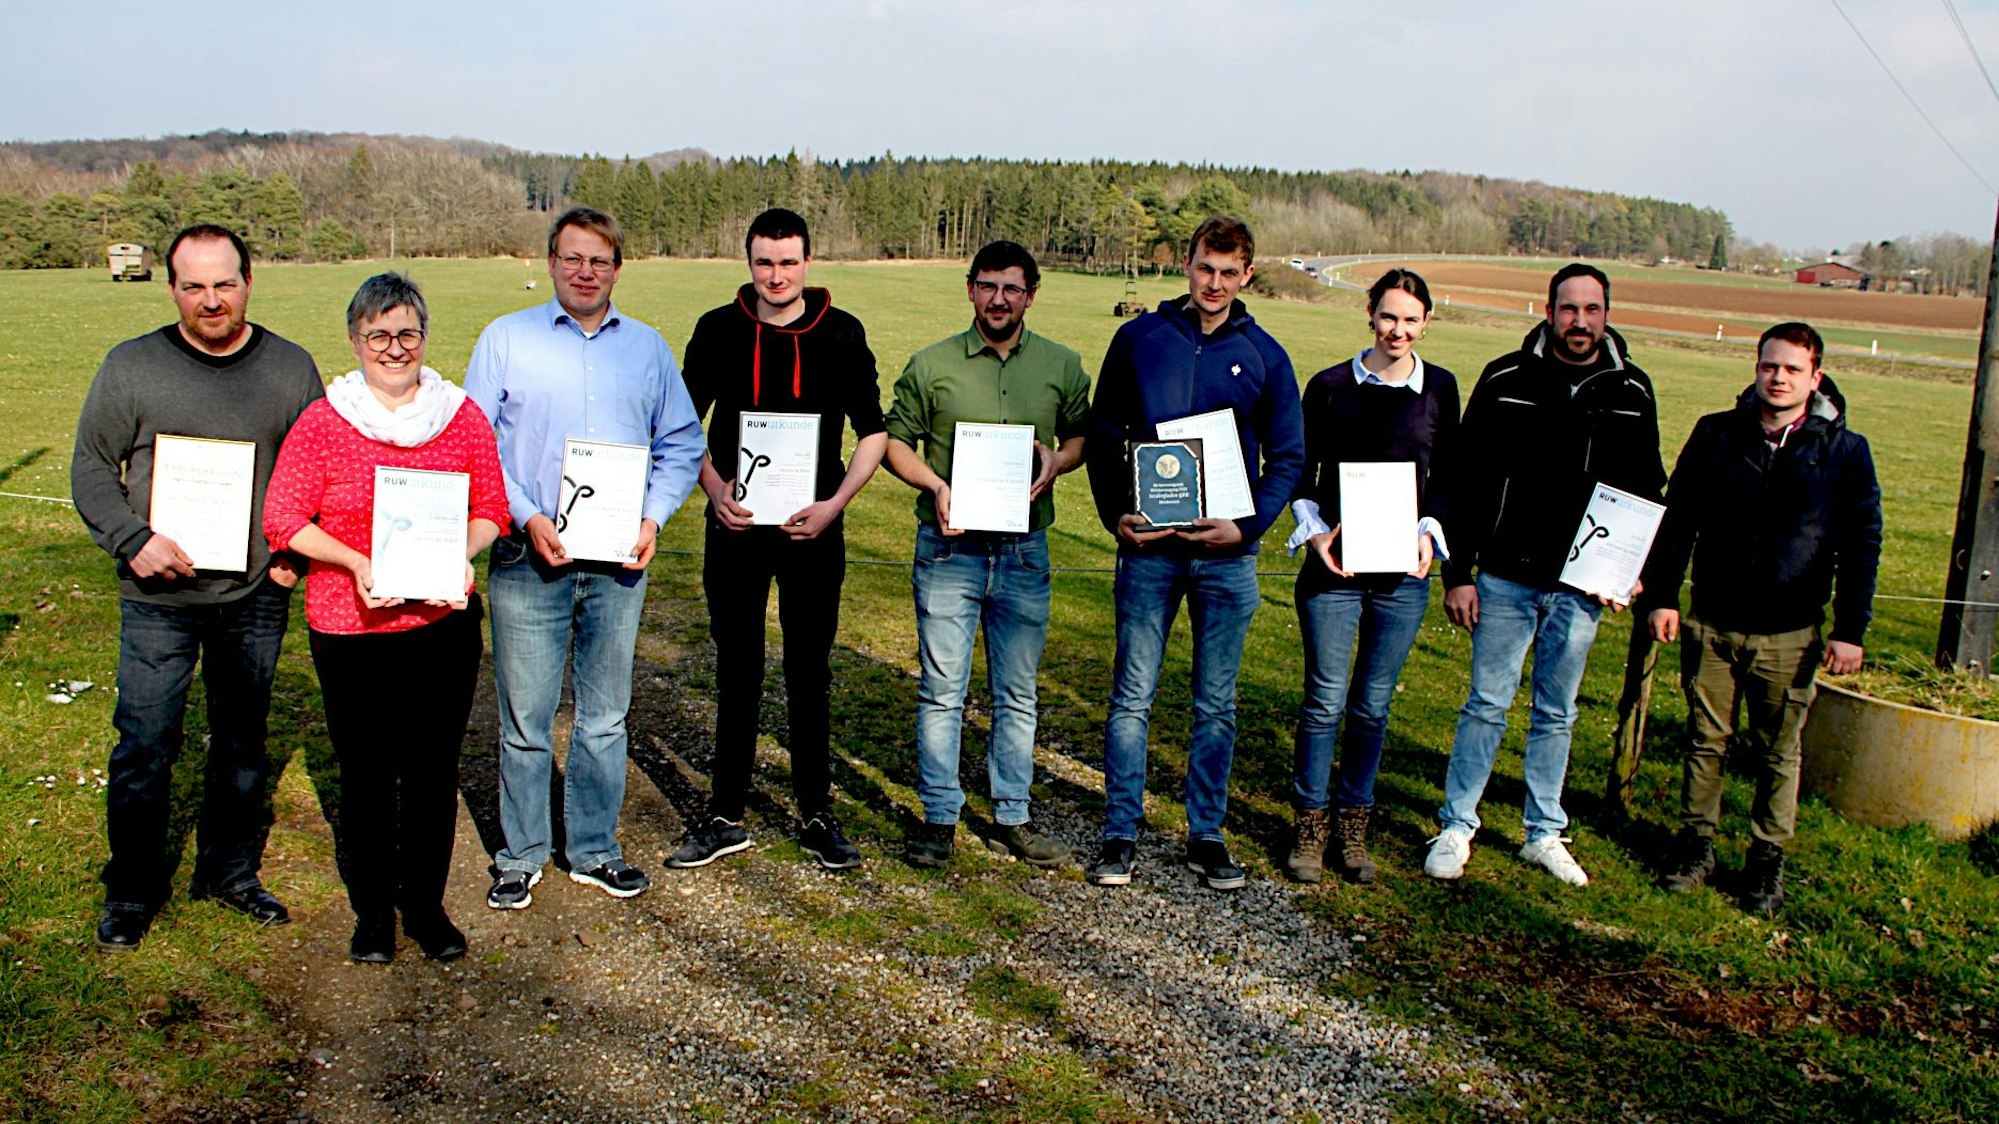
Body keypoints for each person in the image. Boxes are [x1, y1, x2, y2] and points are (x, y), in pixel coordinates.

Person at [71, 224, 323, 952]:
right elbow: (92, 468)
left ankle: (229, 872)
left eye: (224, 283)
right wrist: (133, 539)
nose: (211, 299)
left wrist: (293, 557)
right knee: (145, 743)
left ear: (248, 281)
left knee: (242, 744)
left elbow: (311, 475)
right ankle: (131, 888)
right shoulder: (132, 367)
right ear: (172, 288)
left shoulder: (290, 369)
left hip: (254, 593)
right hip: (159, 599)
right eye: (194, 285)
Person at [465, 206, 704, 909]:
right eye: (571, 258)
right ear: (550, 262)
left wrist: (651, 516)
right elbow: (477, 445)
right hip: (527, 556)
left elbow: (683, 444)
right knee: (526, 718)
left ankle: (595, 849)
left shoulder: (649, 350)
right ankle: (521, 854)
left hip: (616, 566)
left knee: (604, 717)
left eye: (598, 260)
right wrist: (527, 515)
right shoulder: (506, 340)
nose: (584, 271)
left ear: (617, 268)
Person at [263, 273, 508, 962]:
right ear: (355, 340)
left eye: (406, 333)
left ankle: (424, 906)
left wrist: (457, 556)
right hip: (349, 626)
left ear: (424, 338)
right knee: (367, 773)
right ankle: (374, 912)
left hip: (439, 626)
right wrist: (353, 562)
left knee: (432, 771)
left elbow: (491, 507)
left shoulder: (459, 416)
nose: (393, 348)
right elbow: (281, 518)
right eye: (378, 334)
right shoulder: (324, 421)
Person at [1423, 262, 1665, 886]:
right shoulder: (1505, 377)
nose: (1578, 322)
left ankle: (1543, 831)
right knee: (1487, 703)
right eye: (1568, 308)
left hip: (1581, 586)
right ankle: (1457, 823)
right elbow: (1463, 477)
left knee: (1557, 712)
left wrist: (1629, 568)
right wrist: (1458, 573)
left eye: (1591, 309)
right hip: (1504, 576)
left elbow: (1644, 488)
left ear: (1606, 314)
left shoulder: (1631, 391)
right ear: (1549, 310)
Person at [1083, 215, 1306, 891]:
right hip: (1150, 550)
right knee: (1132, 696)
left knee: (1214, 703)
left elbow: (1288, 455)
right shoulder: (1140, 338)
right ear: (1186, 264)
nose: (1214, 283)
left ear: (1246, 275)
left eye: (1228, 272)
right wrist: (1113, 512)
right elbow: (1102, 431)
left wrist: (1249, 527)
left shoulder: (1265, 354)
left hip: (1224, 556)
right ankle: (1119, 830)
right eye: (1205, 268)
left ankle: (1204, 834)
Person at [670, 208, 886, 871]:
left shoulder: (842, 334)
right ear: (748, 261)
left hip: (810, 532)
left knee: (807, 671)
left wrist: (835, 504)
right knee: (737, 670)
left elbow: (872, 432)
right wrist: (713, 491)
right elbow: (680, 425)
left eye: (788, 261)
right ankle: (725, 812)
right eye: (764, 261)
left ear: (807, 263)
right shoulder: (717, 329)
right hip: (735, 529)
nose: (776, 275)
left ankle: (816, 811)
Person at [1638, 322, 1880, 915]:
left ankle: (1766, 859)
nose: (1779, 378)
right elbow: (1678, 521)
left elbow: (1861, 545)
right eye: (1770, 366)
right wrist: (1662, 596)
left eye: (1793, 369)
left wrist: (1849, 631)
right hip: (1713, 620)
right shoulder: (1717, 434)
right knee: (1705, 740)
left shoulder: (1845, 452)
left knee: (1779, 751)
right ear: (1756, 368)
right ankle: (1696, 846)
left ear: (1815, 377)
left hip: (1791, 631)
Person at [883, 240, 1091, 869]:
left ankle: (1012, 814)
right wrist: (935, 486)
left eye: (1013, 288)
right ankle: (940, 816)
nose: (1000, 298)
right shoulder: (933, 364)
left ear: (1031, 294)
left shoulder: (1062, 364)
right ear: (970, 288)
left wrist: (1060, 459)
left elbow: (1084, 433)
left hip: (1025, 551)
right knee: (943, 690)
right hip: (951, 552)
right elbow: (894, 442)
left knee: (1018, 693)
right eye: (988, 285)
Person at [1284, 269, 1459, 884]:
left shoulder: (1440, 388)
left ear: (1426, 322)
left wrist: (1429, 536)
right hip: (1336, 569)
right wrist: (1316, 531)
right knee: (1325, 702)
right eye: (1389, 317)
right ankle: (1309, 828)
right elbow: (1299, 471)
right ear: (1369, 313)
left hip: (1402, 578)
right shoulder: (1329, 386)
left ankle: (1353, 830)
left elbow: (1446, 478)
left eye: (1411, 320)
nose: (1398, 330)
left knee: (1372, 706)